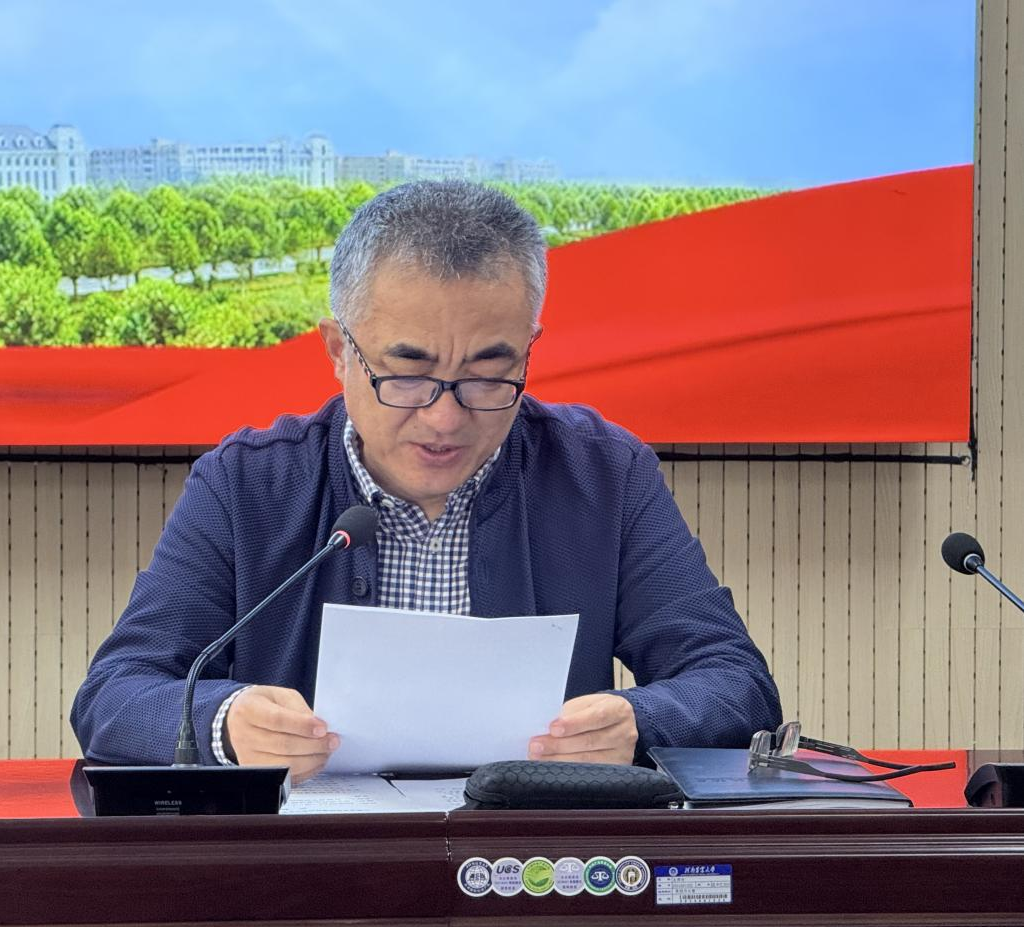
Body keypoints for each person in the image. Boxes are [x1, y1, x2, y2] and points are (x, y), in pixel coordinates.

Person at [71, 180, 782, 782]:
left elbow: (736, 683)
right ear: (338, 350)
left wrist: (637, 721)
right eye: (408, 375)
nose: (444, 418)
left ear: (528, 351)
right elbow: (115, 694)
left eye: (487, 375)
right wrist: (223, 723)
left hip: (532, 867)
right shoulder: (246, 484)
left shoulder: (604, 475)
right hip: (308, 868)